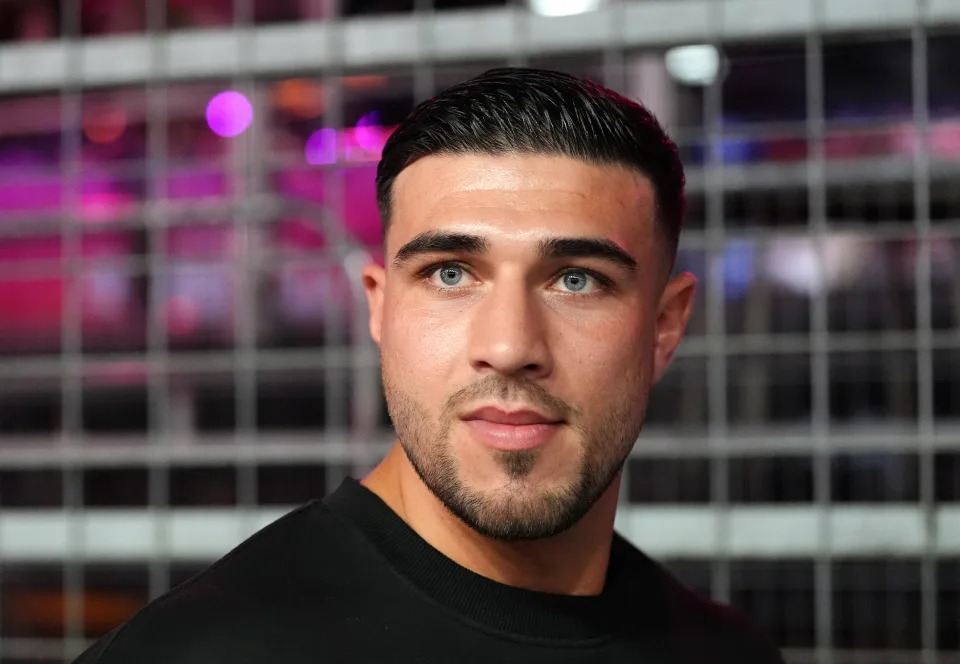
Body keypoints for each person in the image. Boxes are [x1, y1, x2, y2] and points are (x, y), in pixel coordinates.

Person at [73, 67, 784, 664]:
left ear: (665, 326)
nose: (508, 347)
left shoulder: (726, 655)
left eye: (576, 280)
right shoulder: (200, 654)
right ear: (379, 310)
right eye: (450, 274)